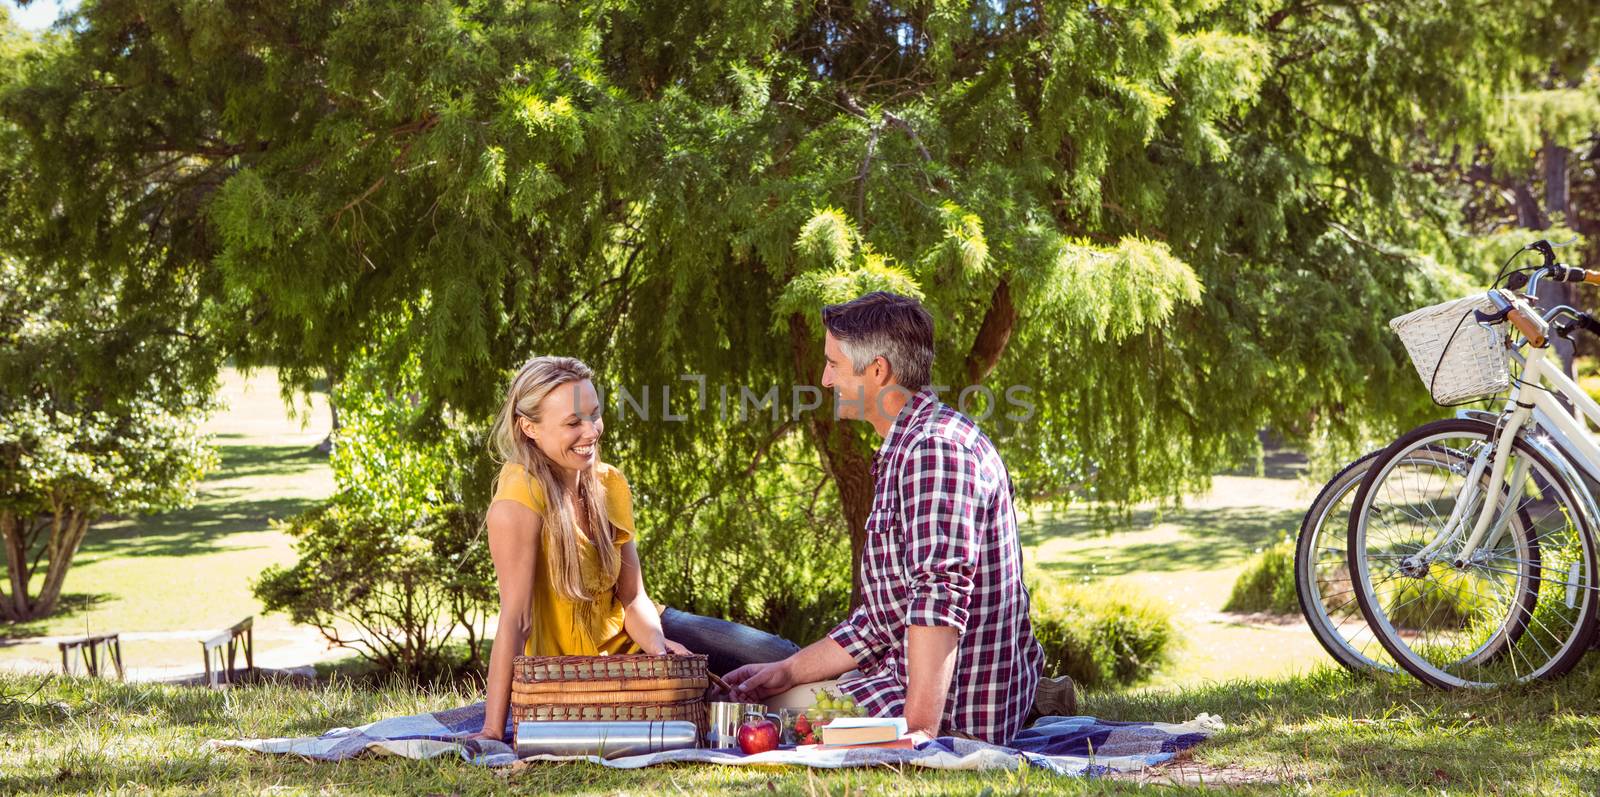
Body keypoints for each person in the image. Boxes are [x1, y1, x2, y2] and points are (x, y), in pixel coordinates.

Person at [724, 292, 1046, 746]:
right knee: (764, 700)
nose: (825, 378)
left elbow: (939, 599)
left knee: (761, 723)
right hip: (902, 679)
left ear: (877, 371)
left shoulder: (935, 450)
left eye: (834, 364)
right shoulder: (909, 445)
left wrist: (918, 737)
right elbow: (879, 622)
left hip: (957, 711)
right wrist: (787, 670)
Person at [471, 356, 798, 741]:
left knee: (783, 656)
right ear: (529, 427)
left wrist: (660, 650)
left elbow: (632, 597)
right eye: (573, 423)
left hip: (639, 637)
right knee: (751, 689)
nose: (591, 431)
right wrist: (493, 730)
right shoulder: (519, 498)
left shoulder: (607, 483)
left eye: (594, 415)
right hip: (581, 668)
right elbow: (516, 620)